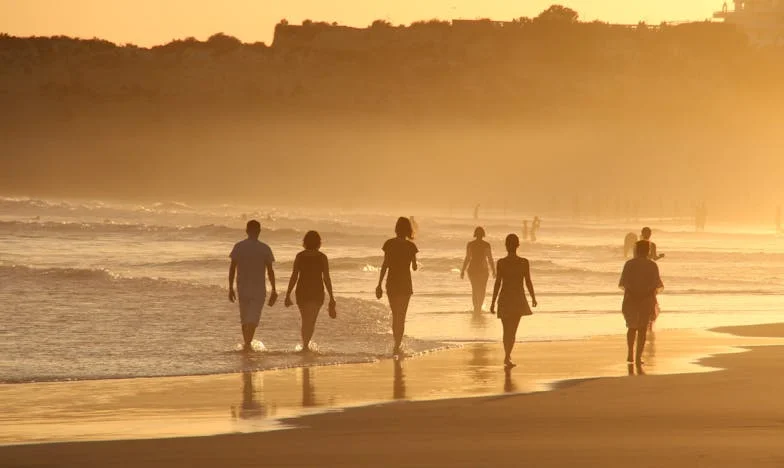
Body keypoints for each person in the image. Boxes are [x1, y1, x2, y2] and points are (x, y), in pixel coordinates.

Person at [228, 220, 277, 352]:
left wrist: (230, 288)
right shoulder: (265, 248)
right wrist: (274, 289)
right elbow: (270, 271)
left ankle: (247, 344)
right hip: (258, 288)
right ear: (259, 231)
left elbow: (232, 268)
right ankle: (248, 344)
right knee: (253, 319)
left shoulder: (239, 246)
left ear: (246, 231)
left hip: (242, 287)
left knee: (244, 318)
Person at [490, 234, 537, 368]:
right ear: (517, 246)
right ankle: (507, 356)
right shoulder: (524, 262)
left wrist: (493, 302)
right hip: (518, 299)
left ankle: (507, 356)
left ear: (506, 246)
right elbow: (528, 281)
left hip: (505, 299)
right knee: (513, 331)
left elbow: (498, 283)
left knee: (506, 330)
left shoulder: (501, 263)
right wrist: (533, 297)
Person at [284, 231, 336, 352]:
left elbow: (294, 276)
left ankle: (305, 345)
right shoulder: (322, 257)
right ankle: (305, 346)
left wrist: (288, 294)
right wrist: (331, 297)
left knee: (305, 320)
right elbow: (326, 278)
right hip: (317, 291)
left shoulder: (300, 256)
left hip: (302, 291)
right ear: (318, 243)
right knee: (311, 321)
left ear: (305, 242)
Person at [376, 217, 418, 356]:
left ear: (396, 228)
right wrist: (412, 261)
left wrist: (379, 284)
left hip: (392, 283)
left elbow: (385, 265)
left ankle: (396, 344)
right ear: (408, 230)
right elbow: (414, 267)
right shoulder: (411, 246)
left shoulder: (389, 244)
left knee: (395, 316)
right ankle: (397, 345)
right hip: (405, 284)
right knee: (402, 316)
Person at [619, 240, 663, 365]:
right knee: (642, 329)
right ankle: (638, 357)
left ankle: (630, 354)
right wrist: (645, 294)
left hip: (631, 298)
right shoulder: (652, 265)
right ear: (648, 251)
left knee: (631, 327)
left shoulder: (629, 264)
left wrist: (634, 293)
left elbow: (624, 283)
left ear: (636, 250)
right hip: (646, 299)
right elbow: (655, 284)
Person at [460, 227, 496, 313]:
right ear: (483, 234)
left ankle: (476, 308)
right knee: (482, 289)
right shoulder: (486, 245)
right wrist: (494, 270)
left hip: (472, 269)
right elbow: (490, 258)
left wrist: (463, 270)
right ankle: (479, 307)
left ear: (475, 234)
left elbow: (467, 258)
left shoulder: (470, 244)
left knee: (475, 289)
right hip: (483, 270)